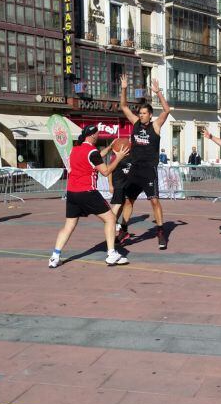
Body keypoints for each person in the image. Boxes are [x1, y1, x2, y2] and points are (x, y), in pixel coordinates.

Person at [48, 125, 131, 268]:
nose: (98, 136)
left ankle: (55, 256)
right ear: (92, 136)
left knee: (69, 225)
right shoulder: (92, 152)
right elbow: (105, 171)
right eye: (97, 134)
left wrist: (110, 148)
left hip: (72, 193)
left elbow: (95, 157)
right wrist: (118, 157)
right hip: (87, 192)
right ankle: (111, 254)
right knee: (111, 218)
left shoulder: (75, 149)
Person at [119, 73, 171, 250]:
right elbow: (124, 106)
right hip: (135, 169)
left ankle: (161, 232)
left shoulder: (155, 126)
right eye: (139, 113)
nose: (140, 115)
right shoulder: (135, 123)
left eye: (143, 113)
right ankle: (124, 229)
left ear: (150, 115)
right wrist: (124, 88)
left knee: (154, 201)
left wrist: (158, 93)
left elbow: (166, 110)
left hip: (149, 169)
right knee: (128, 201)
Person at [109, 144, 134, 245]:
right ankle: (113, 222)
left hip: (127, 185)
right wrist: (110, 185)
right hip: (118, 185)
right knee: (118, 205)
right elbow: (109, 170)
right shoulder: (116, 157)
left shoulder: (133, 156)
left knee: (126, 204)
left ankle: (122, 229)